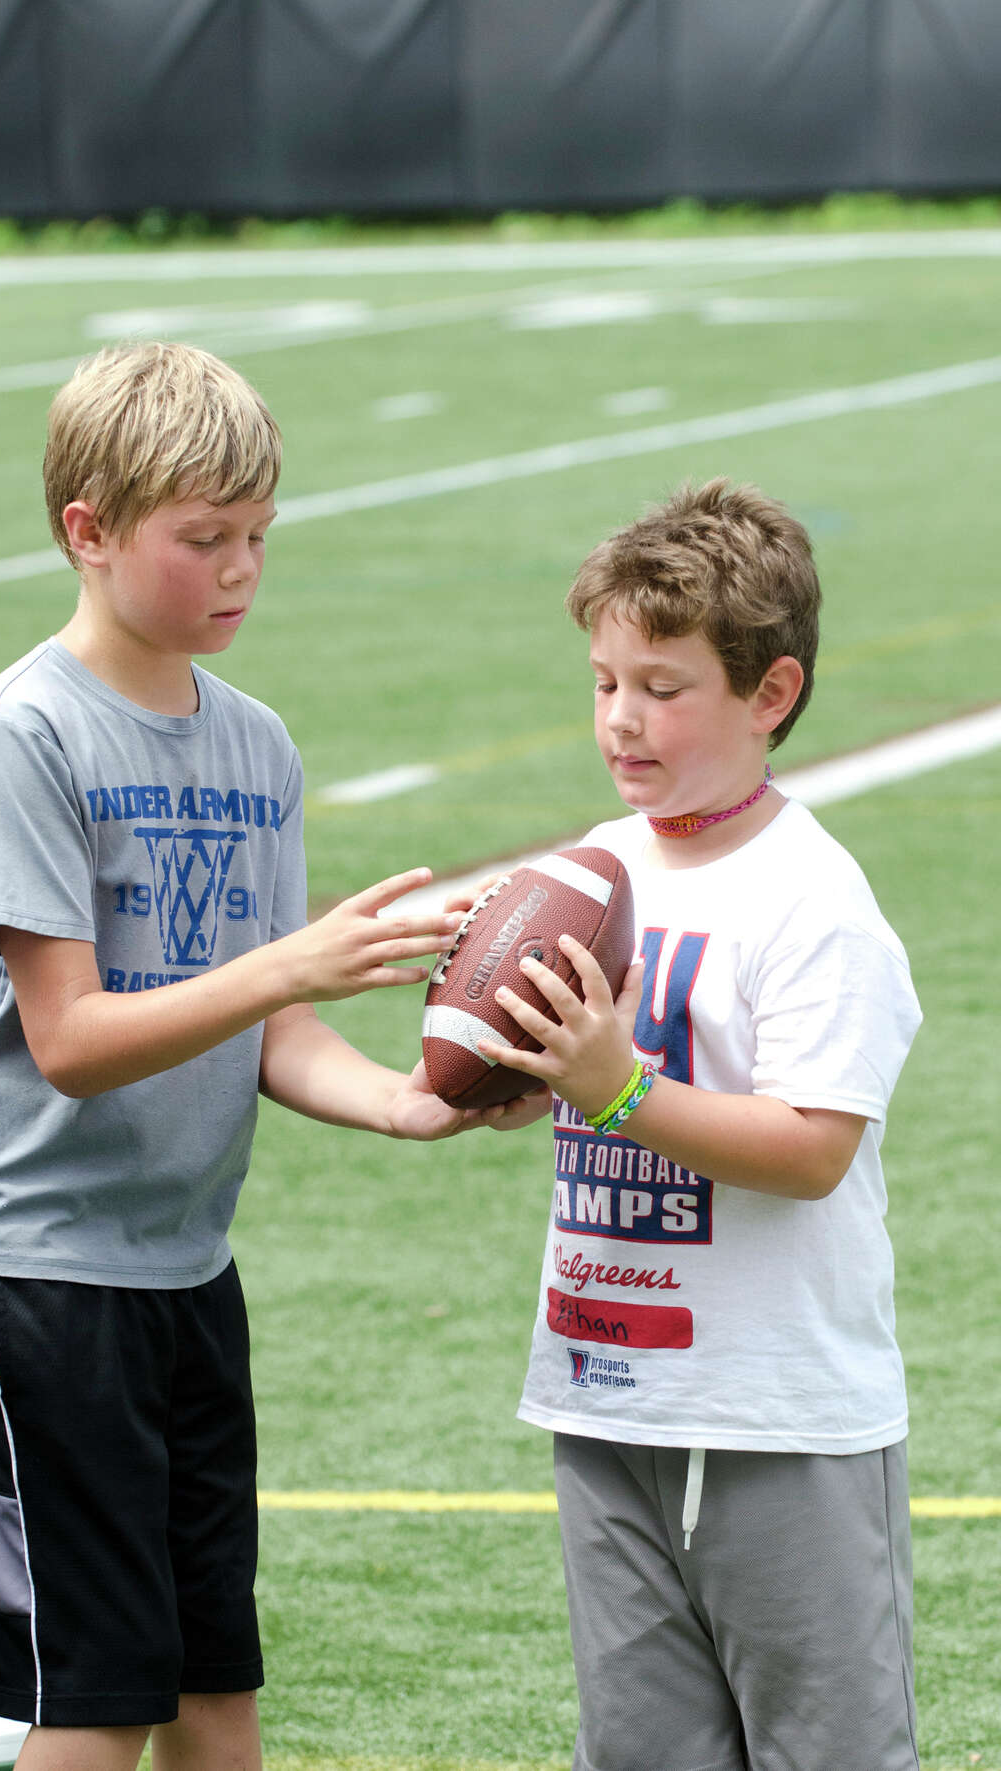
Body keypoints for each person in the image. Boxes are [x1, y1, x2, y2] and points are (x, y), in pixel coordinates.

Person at [0, 341, 545, 1771]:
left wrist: (406, 1104)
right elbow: (68, 1041)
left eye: (258, 537)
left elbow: (275, 1029)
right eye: (204, 540)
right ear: (90, 533)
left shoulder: (257, 745)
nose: (242, 569)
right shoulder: (25, 733)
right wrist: (284, 965)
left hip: (181, 1267)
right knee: (89, 1698)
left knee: (210, 1689)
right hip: (23, 1269)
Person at [471, 479, 922, 1771]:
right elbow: (583, 1081)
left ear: (769, 695)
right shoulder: (591, 872)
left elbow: (812, 1148)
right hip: (605, 1392)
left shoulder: (811, 897)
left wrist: (617, 1085)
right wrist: (509, 1070)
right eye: (605, 681)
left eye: (664, 687)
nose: (623, 717)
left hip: (774, 1415)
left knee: (824, 1753)